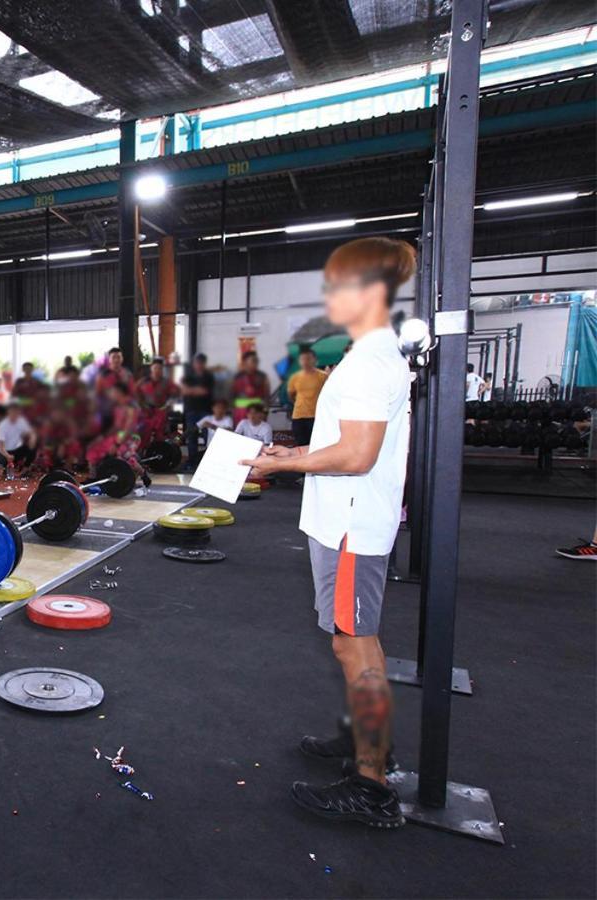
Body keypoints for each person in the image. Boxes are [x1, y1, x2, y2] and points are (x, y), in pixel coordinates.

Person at [241, 236, 416, 829]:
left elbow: (359, 454)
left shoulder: (370, 359)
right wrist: (290, 450)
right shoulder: (368, 353)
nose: (329, 296)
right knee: (355, 643)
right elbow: (348, 441)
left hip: (349, 524)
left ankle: (372, 785)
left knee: (353, 645)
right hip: (343, 516)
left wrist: (281, 465)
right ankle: (368, 744)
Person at [288, 348, 329, 447]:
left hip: (316, 416)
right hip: (299, 416)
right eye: (303, 359)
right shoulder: (295, 377)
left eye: (308, 359)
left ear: (315, 360)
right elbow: (291, 395)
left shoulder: (323, 376)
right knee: (301, 445)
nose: (305, 362)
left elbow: (328, 395)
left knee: (316, 445)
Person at [180, 353, 215, 468]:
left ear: (204, 364)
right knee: (191, 437)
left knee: (208, 437)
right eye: (197, 362)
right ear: (194, 364)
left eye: (201, 363)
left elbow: (204, 391)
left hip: (206, 411)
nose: (199, 365)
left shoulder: (209, 376)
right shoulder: (188, 376)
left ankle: (208, 461)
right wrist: (195, 390)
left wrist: (192, 390)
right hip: (191, 411)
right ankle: (192, 461)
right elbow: (184, 391)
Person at [0, 403, 36, 476]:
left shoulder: (21, 421)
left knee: (33, 447)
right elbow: (0, 447)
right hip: (3, 452)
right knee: (5, 459)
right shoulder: (3, 425)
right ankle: (6, 468)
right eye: (13, 412)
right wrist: (7, 456)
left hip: (17, 450)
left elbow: (31, 432)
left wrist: (32, 439)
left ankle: (25, 470)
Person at [231, 350, 271, 423]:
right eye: (253, 361)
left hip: (257, 411)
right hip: (241, 412)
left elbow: (266, 395)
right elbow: (231, 395)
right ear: (245, 362)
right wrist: (232, 412)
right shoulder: (237, 377)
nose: (256, 363)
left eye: (257, 361)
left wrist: (265, 411)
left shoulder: (262, 376)